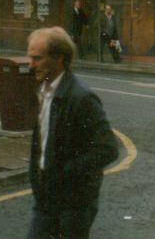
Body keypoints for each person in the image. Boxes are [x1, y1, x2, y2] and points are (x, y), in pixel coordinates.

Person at [27, 27, 119, 238]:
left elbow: (108, 149)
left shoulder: (81, 98)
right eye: (30, 57)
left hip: (74, 203)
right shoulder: (42, 90)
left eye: (37, 58)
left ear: (59, 58)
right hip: (45, 198)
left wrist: (64, 173)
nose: (30, 64)